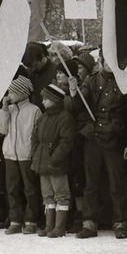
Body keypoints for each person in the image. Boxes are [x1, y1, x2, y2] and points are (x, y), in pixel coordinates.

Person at [72, 56, 127, 240]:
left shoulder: (124, 82)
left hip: (114, 139)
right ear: (100, 60)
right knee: (91, 183)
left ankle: (120, 222)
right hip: (93, 139)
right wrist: (74, 92)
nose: (108, 63)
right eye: (106, 59)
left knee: (117, 183)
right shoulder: (90, 81)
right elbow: (79, 106)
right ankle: (89, 223)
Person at [0, 75, 42, 234]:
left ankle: (31, 220)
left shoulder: (34, 110)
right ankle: (15, 219)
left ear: (22, 93)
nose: (9, 95)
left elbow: (37, 134)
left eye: (12, 92)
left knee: (30, 189)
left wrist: (33, 152)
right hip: (10, 154)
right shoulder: (8, 110)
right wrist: (3, 109)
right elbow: (1, 129)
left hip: (26, 154)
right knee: (12, 188)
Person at [31, 82, 75, 238]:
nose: (43, 101)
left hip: (56, 164)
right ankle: (49, 225)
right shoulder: (43, 117)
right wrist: (36, 154)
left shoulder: (65, 117)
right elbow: (35, 137)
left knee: (61, 195)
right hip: (43, 162)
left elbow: (66, 142)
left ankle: (59, 227)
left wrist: (54, 158)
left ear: (54, 100)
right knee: (47, 195)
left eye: (46, 99)